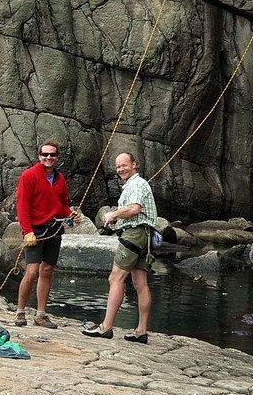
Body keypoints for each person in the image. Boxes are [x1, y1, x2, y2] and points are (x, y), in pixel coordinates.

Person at [83, 152, 157, 344]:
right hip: (144, 236)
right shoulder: (133, 185)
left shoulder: (138, 184)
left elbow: (135, 209)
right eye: (118, 166)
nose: (121, 169)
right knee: (140, 282)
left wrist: (113, 214)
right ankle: (141, 331)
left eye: (125, 165)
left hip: (135, 234)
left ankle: (106, 328)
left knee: (115, 277)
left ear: (134, 164)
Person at [15, 140, 80, 328]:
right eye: (45, 155)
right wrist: (27, 232)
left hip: (54, 229)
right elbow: (22, 206)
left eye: (52, 155)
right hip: (35, 230)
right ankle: (20, 312)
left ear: (57, 158)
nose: (49, 158)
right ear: (39, 156)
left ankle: (41, 314)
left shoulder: (60, 179)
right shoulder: (29, 176)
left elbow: (62, 204)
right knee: (32, 271)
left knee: (47, 271)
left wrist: (70, 214)